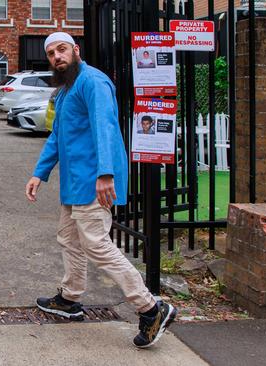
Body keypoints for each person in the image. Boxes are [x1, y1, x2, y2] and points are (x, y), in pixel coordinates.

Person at [24, 32, 177, 348]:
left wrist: (106, 173)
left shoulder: (93, 82)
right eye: (51, 53)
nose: (57, 56)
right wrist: (39, 173)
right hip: (75, 182)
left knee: (95, 244)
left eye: (62, 49)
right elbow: (57, 137)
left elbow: (105, 127)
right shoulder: (67, 90)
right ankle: (69, 299)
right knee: (68, 238)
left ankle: (150, 307)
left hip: (96, 179)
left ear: (76, 50)